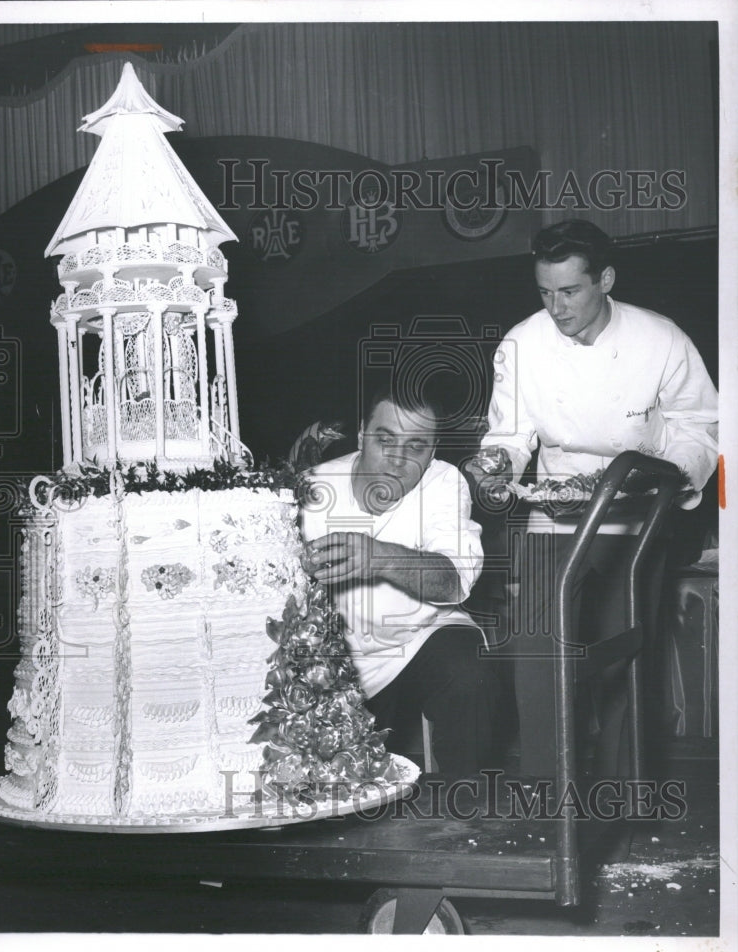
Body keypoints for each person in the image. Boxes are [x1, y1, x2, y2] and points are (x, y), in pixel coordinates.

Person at [463, 219, 719, 778]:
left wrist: (666, 474)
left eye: (570, 291)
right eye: (545, 292)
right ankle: (544, 798)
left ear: (604, 279)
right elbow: (508, 435)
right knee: (534, 658)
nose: (556, 308)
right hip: (550, 518)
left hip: (636, 522)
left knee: (622, 662)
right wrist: (492, 466)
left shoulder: (661, 338)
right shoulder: (521, 342)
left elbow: (700, 426)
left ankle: (622, 798)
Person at [300, 385, 498, 775]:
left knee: (469, 671)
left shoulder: (443, 482)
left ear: (433, 451)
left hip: (419, 637)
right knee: (336, 780)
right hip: (342, 656)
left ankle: (469, 808)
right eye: (384, 439)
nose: (397, 459)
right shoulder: (310, 487)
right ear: (361, 435)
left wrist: (378, 557)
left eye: (416, 446)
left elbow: (454, 581)